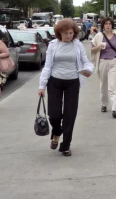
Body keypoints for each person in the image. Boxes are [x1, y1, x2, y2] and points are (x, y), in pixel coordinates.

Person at [38, 18, 94, 157]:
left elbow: (86, 62)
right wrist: (42, 86)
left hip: (72, 82)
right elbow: (47, 66)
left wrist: (88, 70)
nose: (69, 36)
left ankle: (66, 145)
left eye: (71, 33)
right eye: (66, 33)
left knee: (70, 115)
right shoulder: (53, 45)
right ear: (59, 33)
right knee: (54, 114)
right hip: (55, 82)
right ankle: (57, 132)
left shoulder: (77, 45)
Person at [91, 17, 116, 119]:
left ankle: (114, 109)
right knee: (103, 85)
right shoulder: (99, 36)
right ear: (103, 26)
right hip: (103, 62)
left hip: (114, 62)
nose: (108, 25)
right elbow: (92, 49)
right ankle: (104, 104)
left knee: (113, 86)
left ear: (112, 25)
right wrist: (98, 47)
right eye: (106, 24)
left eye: (109, 24)